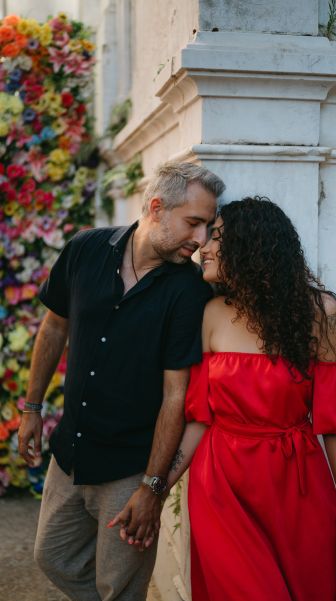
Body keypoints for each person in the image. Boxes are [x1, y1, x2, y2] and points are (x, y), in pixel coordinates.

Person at [17, 161, 225, 601]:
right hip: (70, 450)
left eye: (207, 226)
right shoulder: (85, 248)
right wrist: (32, 409)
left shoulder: (188, 290)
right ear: (156, 207)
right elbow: (55, 327)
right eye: (194, 222)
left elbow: (176, 395)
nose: (201, 239)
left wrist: (152, 488)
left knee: (121, 587)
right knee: (51, 556)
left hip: (130, 468)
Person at [166, 196, 336, 601]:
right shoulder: (211, 314)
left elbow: (335, 425)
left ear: (252, 246)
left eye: (216, 238)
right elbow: (198, 418)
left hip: (298, 490)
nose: (202, 249)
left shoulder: (321, 314)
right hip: (221, 487)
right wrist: (155, 489)